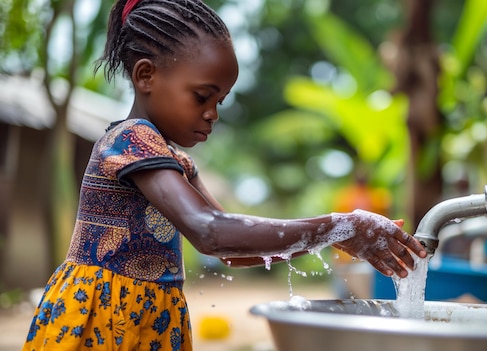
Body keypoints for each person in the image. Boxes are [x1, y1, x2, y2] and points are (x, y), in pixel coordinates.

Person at [22, 0, 426, 350]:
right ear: (146, 76)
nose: (212, 113)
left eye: (220, 99)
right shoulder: (130, 140)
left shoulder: (175, 161)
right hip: (102, 320)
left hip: (148, 320)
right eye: (202, 96)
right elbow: (209, 232)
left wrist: (340, 234)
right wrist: (338, 227)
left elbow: (235, 250)